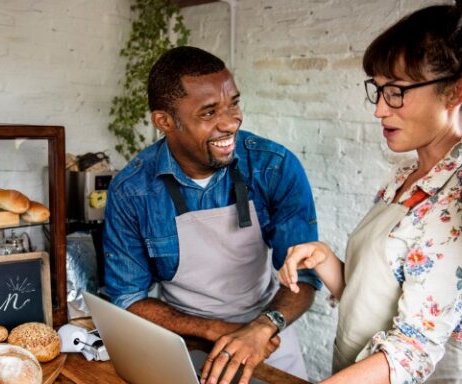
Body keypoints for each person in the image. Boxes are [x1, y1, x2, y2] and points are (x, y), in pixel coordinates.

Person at [278, 1, 462, 383]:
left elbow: (412, 348)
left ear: (456, 91)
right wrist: (325, 258)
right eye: (377, 90)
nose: (379, 110)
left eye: (395, 92)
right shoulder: (407, 173)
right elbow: (376, 298)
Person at [102, 46, 321, 383]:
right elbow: (128, 298)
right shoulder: (132, 190)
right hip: (183, 344)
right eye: (208, 113)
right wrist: (216, 330)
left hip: (268, 338)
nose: (231, 122)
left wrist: (262, 327)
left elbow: (303, 277)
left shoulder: (274, 167)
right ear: (164, 122)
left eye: (233, 103)